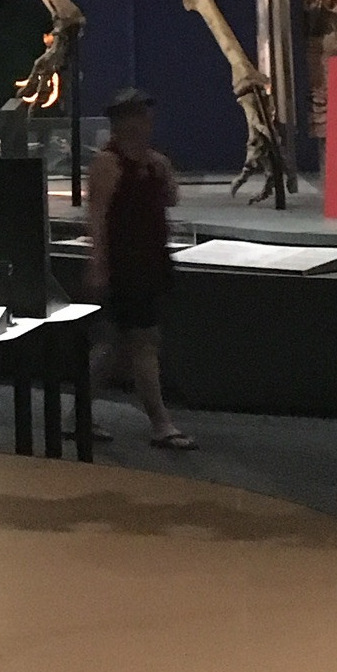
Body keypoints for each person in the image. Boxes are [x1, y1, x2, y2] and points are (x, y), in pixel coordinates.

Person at [87, 86, 195, 451]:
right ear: (123, 121)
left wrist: (163, 171)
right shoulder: (108, 163)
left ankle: (77, 416)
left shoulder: (152, 162)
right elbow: (97, 217)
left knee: (116, 344)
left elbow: (171, 199)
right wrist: (99, 265)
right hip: (126, 265)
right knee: (143, 342)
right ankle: (161, 423)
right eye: (140, 115)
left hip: (149, 261)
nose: (147, 121)